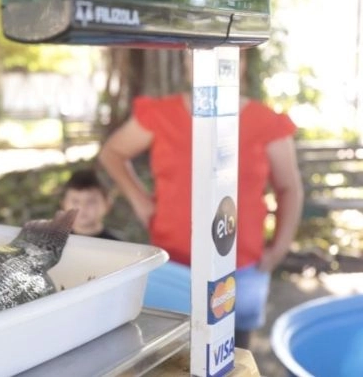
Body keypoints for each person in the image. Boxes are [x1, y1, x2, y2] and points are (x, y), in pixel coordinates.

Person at [97, 51, 303, 348]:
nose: (210, 66)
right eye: (198, 57)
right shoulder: (161, 114)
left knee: (235, 355)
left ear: (241, 64)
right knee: (172, 352)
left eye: (225, 57)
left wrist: (280, 247)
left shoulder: (266, 121)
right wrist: (140, 200)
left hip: (242, 266)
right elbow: (112, 153)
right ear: (187, 63)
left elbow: (289, 188)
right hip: (173, 262)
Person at [59, 169, 120, 240]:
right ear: (63, 204)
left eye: (91, 201)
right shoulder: (52, 243)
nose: (82, 207)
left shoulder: (118, 245)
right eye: (75, 201)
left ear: (107, 204)